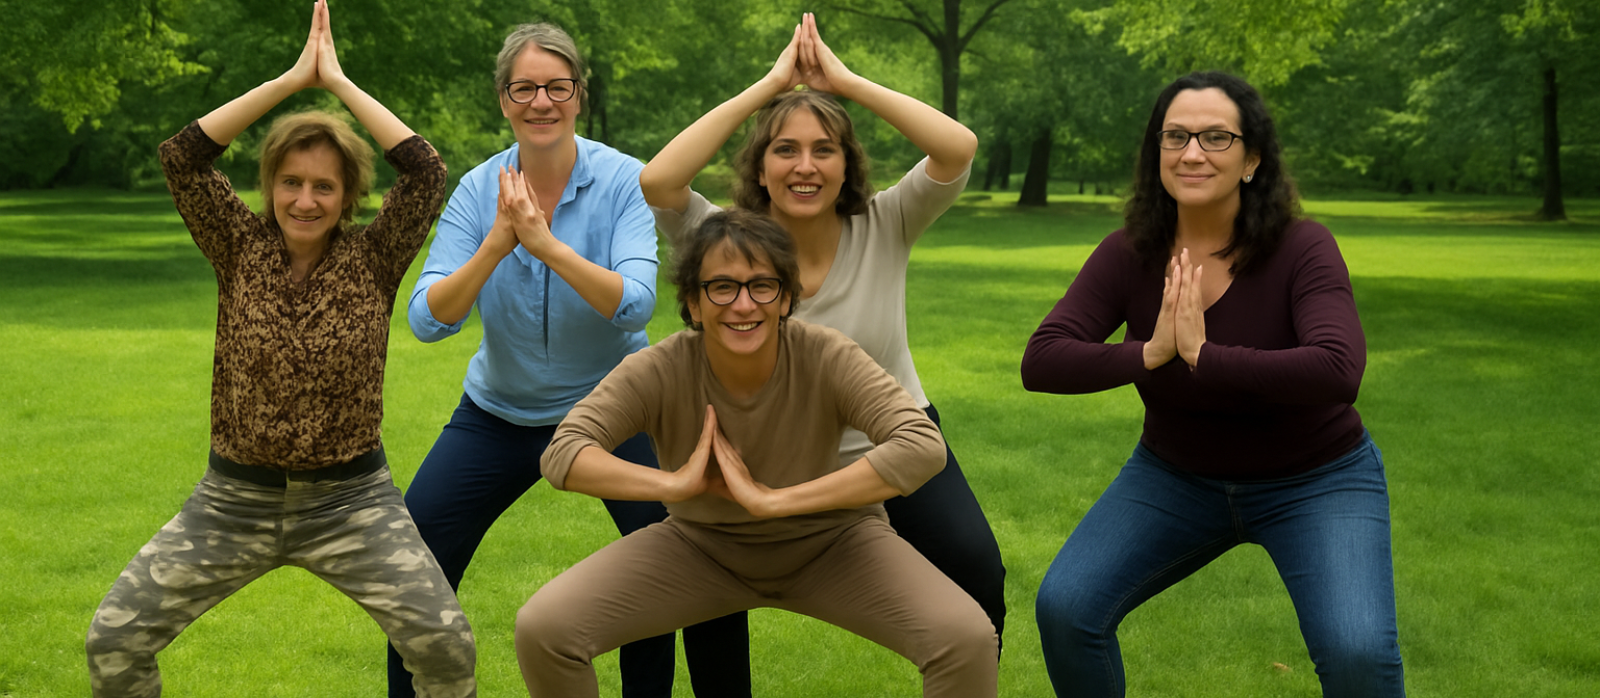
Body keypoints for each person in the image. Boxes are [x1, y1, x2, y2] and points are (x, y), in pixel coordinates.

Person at [84, 2, 474, 697]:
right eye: (290, 182)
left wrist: (340, 85)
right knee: (114, 642)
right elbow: (182, 155)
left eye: (324, 185)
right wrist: (293, 82)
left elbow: (425, 172)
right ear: (268, 186)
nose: (304, 199)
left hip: (353, 504)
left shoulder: (375, 257)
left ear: (348, 195)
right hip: (233, 502)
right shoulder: (236, 246)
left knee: (445, 647)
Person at [1020, 71, 1406, 697]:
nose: (1192, 152)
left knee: (1357, 652)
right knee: (1068, 609)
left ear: (1252, 159)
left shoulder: (1303, 248)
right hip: (1175, 476)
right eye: (1175, 137)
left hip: (1316, 479)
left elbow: (1338, 369)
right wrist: (1151, 353)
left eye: (1216, 137)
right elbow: (1042, 361)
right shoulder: (1130, 253)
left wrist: (1204, 355)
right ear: (1157, 154)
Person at [390, 21, 745, 698]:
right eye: (524, 88)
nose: (541, 102)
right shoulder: (477, 189)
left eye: (557, 86)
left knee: (664, 562)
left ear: (579, 94)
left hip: (619, 412)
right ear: (503, 99)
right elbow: (426, 320)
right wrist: (498, 242)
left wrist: (546, 244)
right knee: (414, 561)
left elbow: (636, 304)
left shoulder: (621, 182)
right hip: (496, 415)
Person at [515, 208, 998, 698]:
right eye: (721, 287)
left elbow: (921, 445)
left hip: (834, 542)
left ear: (786, 297)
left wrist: (774, 500)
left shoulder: (827, 354)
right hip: (701, 547)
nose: (743, 305)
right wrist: (676, 484)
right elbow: (564, 453)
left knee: (966, 639)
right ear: (693, 303)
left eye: (762, 286)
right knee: (546, 630)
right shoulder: (659, 368)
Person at [639, 13, 1007, 649]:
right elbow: (660, 181)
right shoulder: (726, 240)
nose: (803, 166)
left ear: (846, 165)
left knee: (976, 567)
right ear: (760, 167)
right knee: (707, 600)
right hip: (763, 453)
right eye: (784, 149)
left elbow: (956, 147)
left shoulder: (886, 220)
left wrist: (846, 84)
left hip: (886, 442)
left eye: (823, 149)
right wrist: (769, 88)